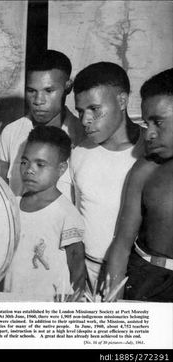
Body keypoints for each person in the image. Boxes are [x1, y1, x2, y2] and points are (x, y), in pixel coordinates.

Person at [70, 62, 144, 291]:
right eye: (80, 112)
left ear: (122, 101)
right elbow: (74, 219)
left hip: (136, 274)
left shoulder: (151, 152)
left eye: (94, 109)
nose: (85, 120)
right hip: (86, 273)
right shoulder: (79, 154)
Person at [106, 68, 173, 302]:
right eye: (146, 123)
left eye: (158, 122)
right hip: (147, 281)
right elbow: (121, 246)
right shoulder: (145, 170)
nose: (148, 134)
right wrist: (110, 307)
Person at [4, 125, 86, 301]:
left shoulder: (66, 214)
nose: (29, 170)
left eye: (40, 164)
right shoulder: (13, 205)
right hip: (12, 298)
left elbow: (77, 269)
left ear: (61, 168)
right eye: (24, 162)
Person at [0, 49, 84, 197]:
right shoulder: (10, 133)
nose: (38, 101)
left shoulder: (82, 137)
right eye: (31, 91)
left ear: (68, 87)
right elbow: (0, 194)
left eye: (48, 91)